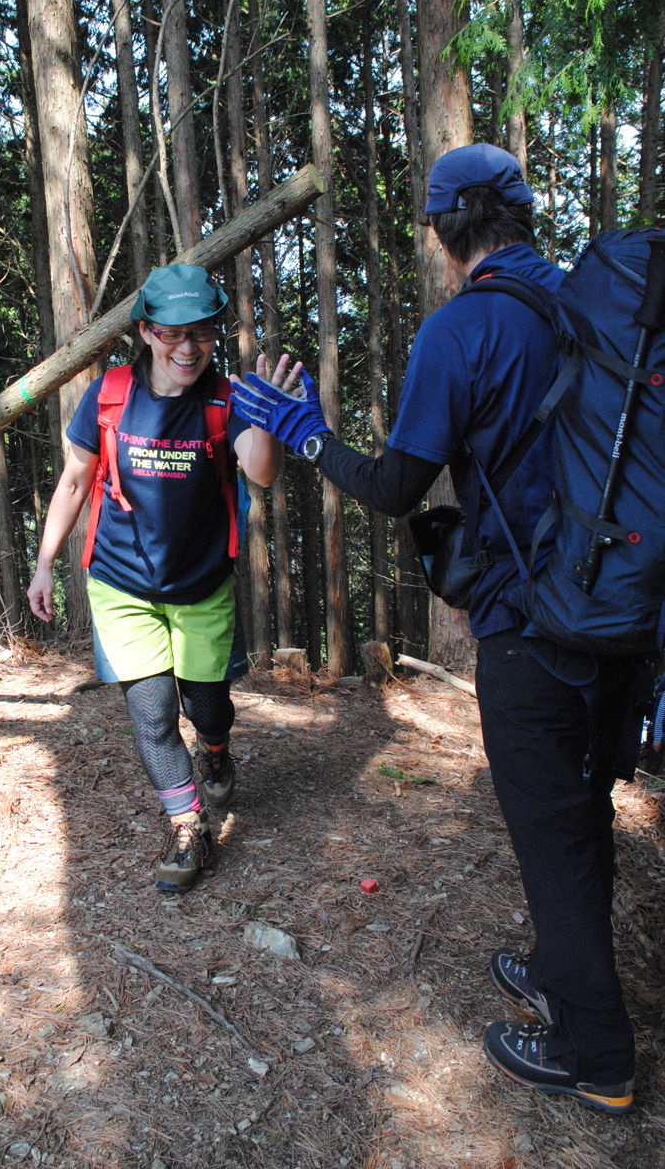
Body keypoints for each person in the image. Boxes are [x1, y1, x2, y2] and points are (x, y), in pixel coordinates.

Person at [230, 144, 640, 1115]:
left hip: (528, 628)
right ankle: (558, 971)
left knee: (549, 839)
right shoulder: (592, 307)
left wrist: (305, 432)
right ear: (522, 218)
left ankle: (599, 1060)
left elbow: (392, 486)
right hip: (622, 618)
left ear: (445, 234)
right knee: (579, 820)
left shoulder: (462, 332)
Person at [27, 263, 289, 894]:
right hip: (121, 587)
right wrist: (43, 562)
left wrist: (272, 417)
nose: (188, 346)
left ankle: (218, 750)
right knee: (152, 718)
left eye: (201, 332)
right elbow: (74, 481)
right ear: (146, 332)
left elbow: (261, 474)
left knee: (207, 707)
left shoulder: (228, 401)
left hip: (201, 586)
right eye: (172, 332)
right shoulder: (111, 396)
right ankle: (187, 824)